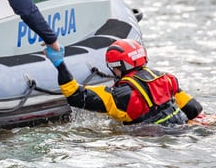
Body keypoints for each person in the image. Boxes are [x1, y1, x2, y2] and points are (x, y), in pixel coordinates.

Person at [44, 38, 203, 125]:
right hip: (181, 129)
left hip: (150, 139)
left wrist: (60, 64)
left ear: (117, 67)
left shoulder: (121, 96)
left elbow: (74, 96)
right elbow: (194, 109)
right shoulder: (167, 79)